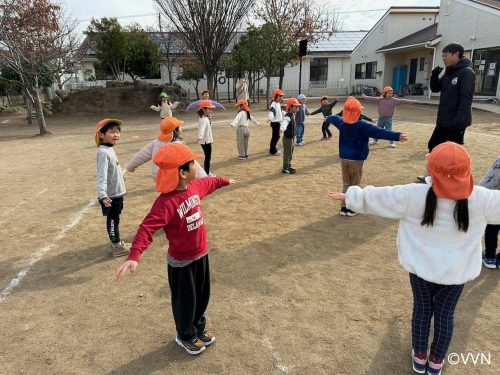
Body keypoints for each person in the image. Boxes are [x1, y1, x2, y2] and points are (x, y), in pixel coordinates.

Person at [328, 142, 500, 375]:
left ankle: (420, 357)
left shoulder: (413, 194)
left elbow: (382, 197)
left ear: (431, 169)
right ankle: (436, 361)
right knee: (445, 316)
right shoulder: (482, 199)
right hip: (456, 274)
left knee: (422, 309)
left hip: (420, 270)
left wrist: (352, 196)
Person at [115, 143, 236, 355]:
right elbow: (147, 228)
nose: (196, 166)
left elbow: (211, 182)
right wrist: (134, 255)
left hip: (202, 255)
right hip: (182, 263)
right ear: (182, 173)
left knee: (202, 296)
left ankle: (197, 328)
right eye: (192, 164)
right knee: (186, 302)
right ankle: (185, 335)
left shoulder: (194, 187)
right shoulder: (166, 203)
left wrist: (225, 181)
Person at [324, 97, 408, 216]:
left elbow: (334, 118)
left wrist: (328, 118)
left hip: (344, 158)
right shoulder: (362, 125)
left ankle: (344, 207)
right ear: (358, 112)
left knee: (347, 183)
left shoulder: (342, 122)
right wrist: (397, 136)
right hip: (357, 159)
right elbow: (379, 132)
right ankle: (352, 209)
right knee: (355, 184)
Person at [417, 43, 475, 181]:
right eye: (442, 55)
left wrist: (459, 122)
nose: (443, 58)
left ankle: (453, 180)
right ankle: (432, 175)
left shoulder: (466, 72)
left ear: (456, 54)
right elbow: (436, 88)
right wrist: (434, 75)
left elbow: (466, 99)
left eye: (446, 55)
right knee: (433, 145)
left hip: (456, 122)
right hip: (443, 120)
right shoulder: (449, 71)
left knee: (452, 154)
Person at [125, 117, 207, 180]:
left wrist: (130, 166)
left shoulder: (156, 142)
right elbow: (193, 164)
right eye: (179, 127)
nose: (181, 129)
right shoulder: (178, 145)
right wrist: (205, 179)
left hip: (157, 176)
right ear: (175, 131)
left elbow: (142, 155)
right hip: (171, 178)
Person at [95, 119, 130, 257]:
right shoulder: (103, 152)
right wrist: (103, 195)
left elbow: (113, 169)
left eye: (118, 132)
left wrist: (121, 177)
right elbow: (102, 175)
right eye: (112, 132)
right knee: (113, 219)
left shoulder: (109, 149)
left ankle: (117, 243)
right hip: (111, 196)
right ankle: (116, 246)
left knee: (116, 218)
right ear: (102, 135)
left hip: (117, 192)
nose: (116, 135)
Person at [480, 155, 500, 269]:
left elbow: (492, 178)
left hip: (497, 200)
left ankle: (490, 257)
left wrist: (481, 191)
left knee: (492, 228)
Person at [280, 97, 301, 174]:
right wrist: (282, 128)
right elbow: (285, 122)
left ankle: (288, 165)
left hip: (291, 138)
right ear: (291, 107)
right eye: (296, 106)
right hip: (287, 138)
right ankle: (285, 168)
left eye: (297, 106)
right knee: (287, 153)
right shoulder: (288, 115)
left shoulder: (292, 114)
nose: (297, 108)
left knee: (290, 153)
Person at [197, 99, 215, 176]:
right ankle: (206, 173)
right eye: (209, 109)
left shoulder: (203, 117)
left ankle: (206, 172)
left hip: (205, 140)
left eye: (211, 109)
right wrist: (200, 136)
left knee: (207, 157)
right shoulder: (204, 119)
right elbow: (202, 128)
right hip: (205, 141)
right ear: (203, 109)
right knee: (208, 157)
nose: (211, 110)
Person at [268, 88, 285, 156]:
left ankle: (272, 149)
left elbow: (281, 111)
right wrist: (270, 117)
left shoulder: (278, 103)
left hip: (278, 122)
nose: (281, 97)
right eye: (280, 96)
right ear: (275, 96)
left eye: (282, 96)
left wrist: (286, 113)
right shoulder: (273, 104)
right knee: (276, 136)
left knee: (276, 136)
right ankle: (273, 150)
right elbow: (272, 111)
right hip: (275, 123)